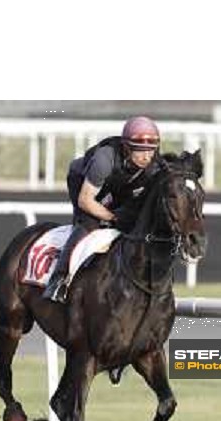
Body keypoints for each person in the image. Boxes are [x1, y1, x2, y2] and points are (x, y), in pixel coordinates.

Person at [43, 115, 162, 303]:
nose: (147, 157)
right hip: (83, 184)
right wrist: (113, 217)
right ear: (126, 147)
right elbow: (85, 201)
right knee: (89, 225)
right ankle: (58, 280)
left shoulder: (153, 164)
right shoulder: (104, 159)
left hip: (118, 184)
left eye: (151, 151)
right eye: (140, 151)